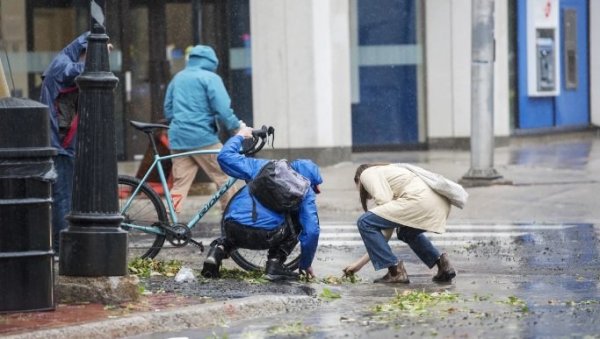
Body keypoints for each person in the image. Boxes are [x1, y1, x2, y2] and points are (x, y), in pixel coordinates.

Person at [201, 126, 323, 281]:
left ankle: (216, 252)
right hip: (266, 236)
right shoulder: (306, 191)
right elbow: (312, 232)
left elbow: (224, 157)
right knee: (300, 223)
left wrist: (239, 136)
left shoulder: (265, 166)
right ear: (311, 181)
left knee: (236, 223)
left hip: (233, 227)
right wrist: (305, 265)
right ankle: (275, 264)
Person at [346, 163, 458, 284]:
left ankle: (396, 272)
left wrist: (360, 264)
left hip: (419, 201)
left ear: (357, 180)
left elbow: (384, 223)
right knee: (406, 232)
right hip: (438, 204)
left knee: (364, 221)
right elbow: (383, 236)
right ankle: (443, 265)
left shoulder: (366, 174)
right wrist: (359, 264)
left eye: (357, 187)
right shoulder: (389, 178)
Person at [163, 44, 241, 215]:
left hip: (179, 139)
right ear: (212, 62)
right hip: (203, 138)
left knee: (180, 184)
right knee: (225, 177)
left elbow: (168, 110)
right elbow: (223, 109)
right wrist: (236, 127)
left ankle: (168, 219)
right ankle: (232, 218)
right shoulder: (210, 78)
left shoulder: (178, 78)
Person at [40, 31, 89, 255]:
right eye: (89, 55)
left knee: (64, 193)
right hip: (60, 140)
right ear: (83, 51)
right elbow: (75, 72)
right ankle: (61, 249)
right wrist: (100, 57)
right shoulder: (63, 64)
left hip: (63, 138)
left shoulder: (65, 59)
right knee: (62, 195)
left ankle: (63, 245)